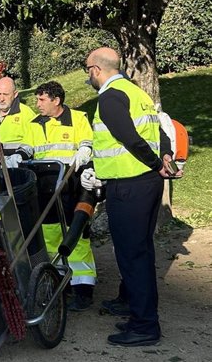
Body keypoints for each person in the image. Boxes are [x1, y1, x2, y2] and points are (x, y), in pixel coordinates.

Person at [83, 47, 179, 347]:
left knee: (132, 255)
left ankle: (145, 325)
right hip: (148, 186)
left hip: (129, 186)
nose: (88, 75)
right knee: (142, 251)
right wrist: (164, 159)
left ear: (96, 70)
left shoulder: (110, 97)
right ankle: (133, 304)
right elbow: (163, 130)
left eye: (88, 70)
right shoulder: (138, 93)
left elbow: (130, 138)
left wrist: (154, 163)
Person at [26, 81, 97, 311]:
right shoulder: (34, 124)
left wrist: (84, 152)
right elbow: (28, 147)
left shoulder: (77, 118)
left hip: (72, 186)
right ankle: (59, 283)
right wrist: (18, 155)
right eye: (37, 99)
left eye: (42, 99)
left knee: (76, 237)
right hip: (44, 189)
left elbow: (88, 143)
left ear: (56, 100)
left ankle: (83, 289)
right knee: (50, 236)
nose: (37, 104)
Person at [0, 76, 36, 166]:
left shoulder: (26, 113)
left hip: (19, 165)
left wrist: (19, 156)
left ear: (15, 94)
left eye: (6, 94)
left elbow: (33, 142)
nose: (1, 98)